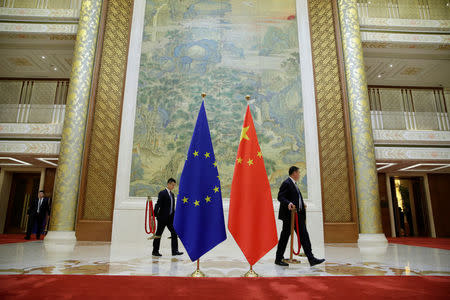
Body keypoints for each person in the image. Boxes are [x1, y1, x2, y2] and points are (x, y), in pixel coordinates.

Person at [275, 166, 325, 267]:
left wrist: (302, 204)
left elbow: (296, 198)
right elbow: (280, 196)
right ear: (294, 173)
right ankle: (278, 258)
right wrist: (289, 203)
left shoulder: (294, 184)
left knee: (304, 236)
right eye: (298, 172)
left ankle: (311, 258)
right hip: (290, 217)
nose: (299, 174)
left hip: (297, 216)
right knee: (285, 237)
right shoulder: (287, 183)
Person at [152, 178, 183, 257]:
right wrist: (154, 214)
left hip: (170, 219)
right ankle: (155, 251)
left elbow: (172, 207)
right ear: (168, 184)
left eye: (174, 185)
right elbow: (158, 204)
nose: (173, 187)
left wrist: (175, 217)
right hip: (162, 218)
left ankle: (175, 251)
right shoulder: (162, 193)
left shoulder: (172, 195)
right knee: (158, 234)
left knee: (174, 233)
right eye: (172, 185)